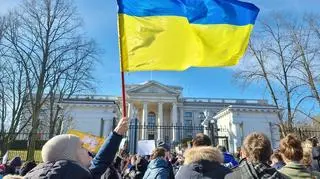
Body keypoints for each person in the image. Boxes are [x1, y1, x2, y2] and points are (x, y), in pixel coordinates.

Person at [24, 117, 128, 179]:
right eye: (81, 147)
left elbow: (100, 161)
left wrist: (116, 134)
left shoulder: (76, 174)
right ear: (70, 154)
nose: (88, 150)